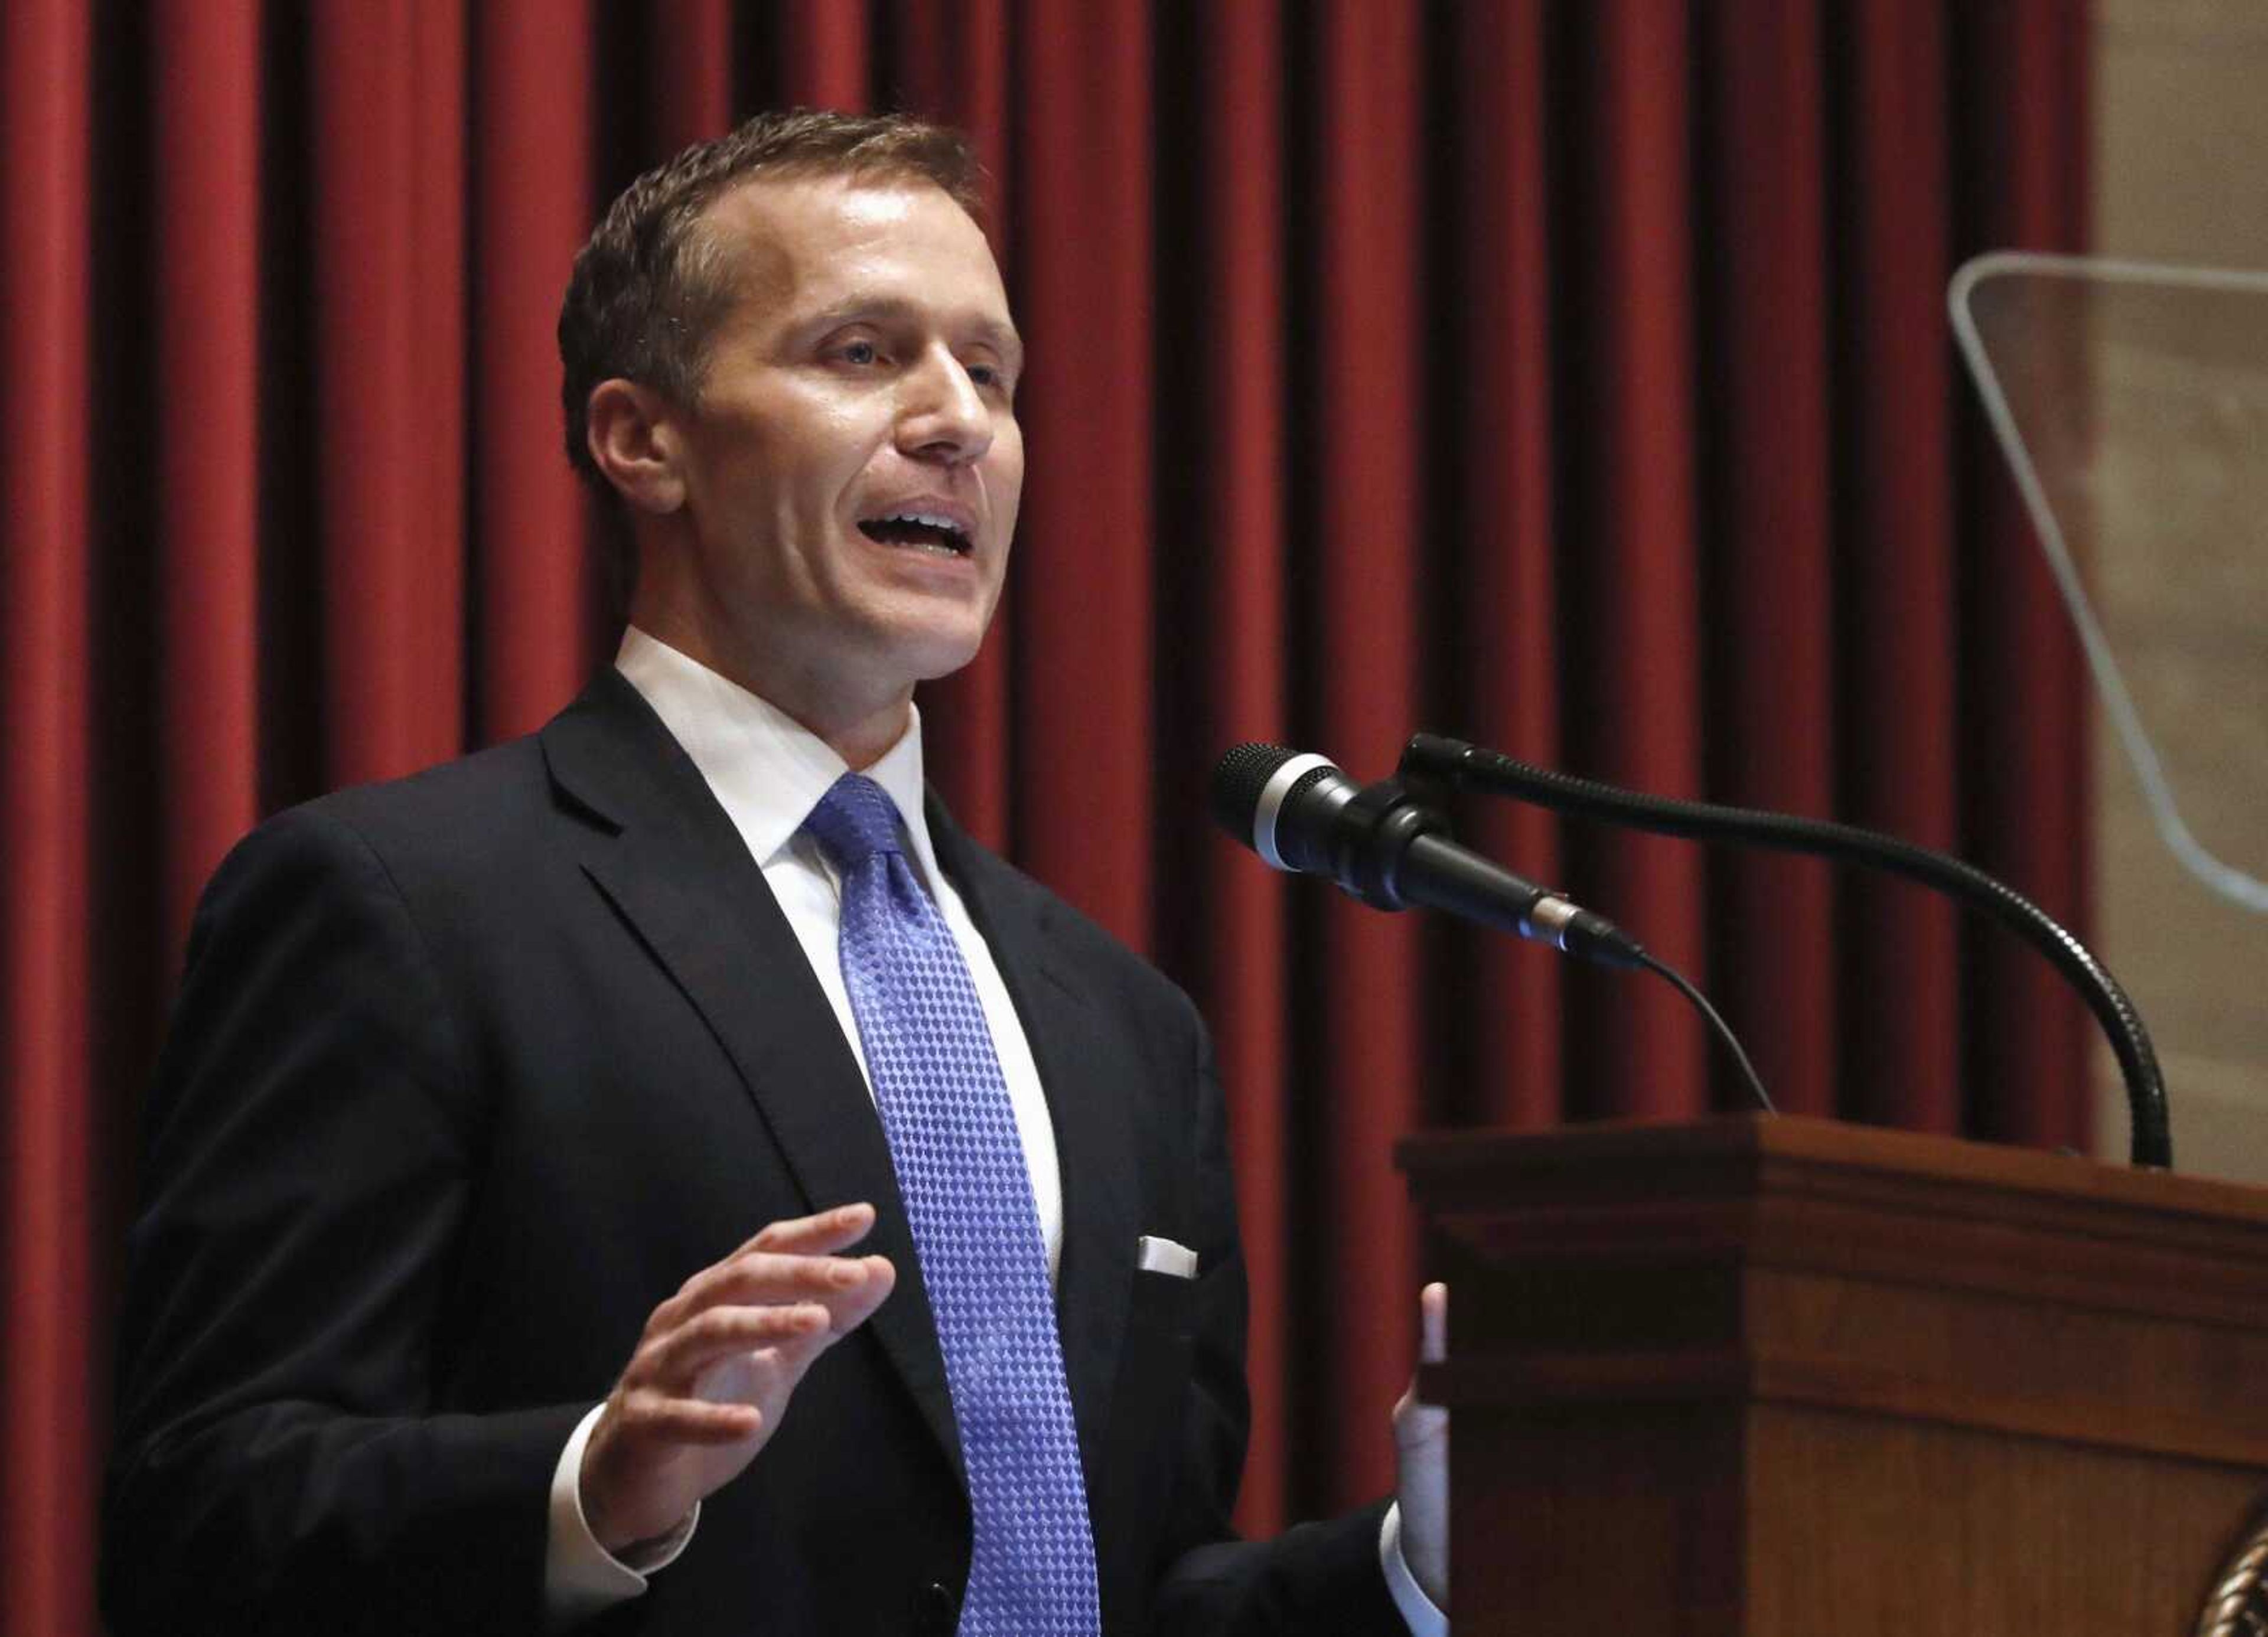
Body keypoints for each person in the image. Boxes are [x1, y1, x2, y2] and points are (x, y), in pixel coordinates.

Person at [102, 109, 1447, 1636]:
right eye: (865, 353)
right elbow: (200, 1515)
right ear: (642, 439)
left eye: (991, 373)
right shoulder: (398, 909)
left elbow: (1135, 1585)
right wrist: (588, 1485)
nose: (959, 421)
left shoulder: (1128, 1024)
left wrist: (1421, 1563)